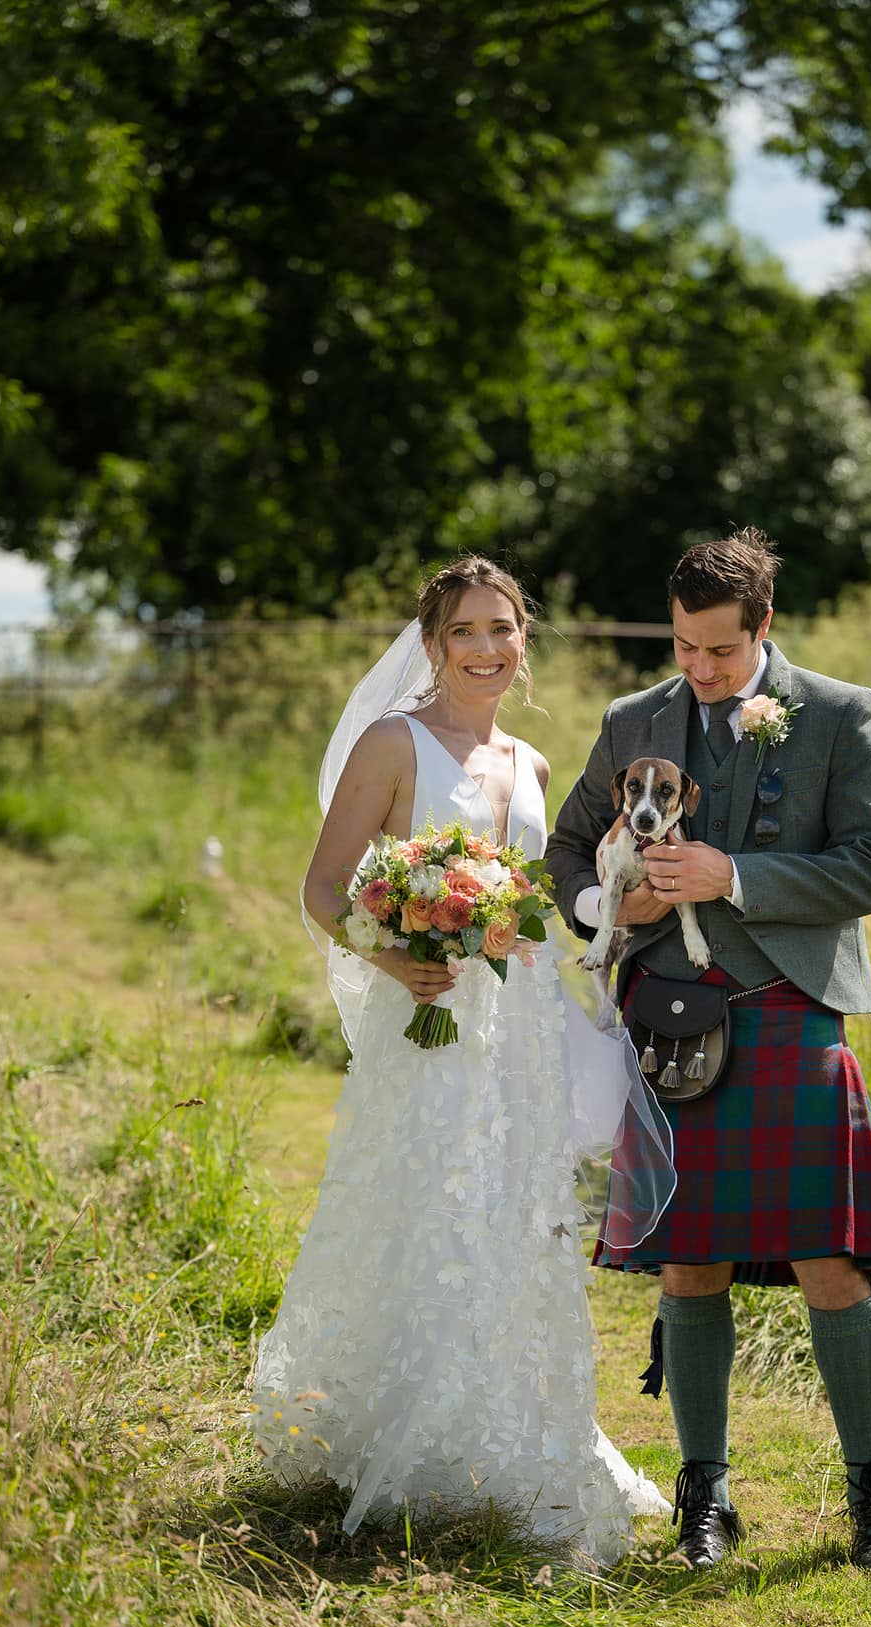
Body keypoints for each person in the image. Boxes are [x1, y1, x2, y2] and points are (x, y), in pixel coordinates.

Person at [251, 556, 672, 1562]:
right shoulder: (392, 744)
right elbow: (322, 887)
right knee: (423, 1201)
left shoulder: (529, 763)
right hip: (424, 1012)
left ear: (524, 642)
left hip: (515, 1024)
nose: (486, 648)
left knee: (514, 1213)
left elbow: (529, 892)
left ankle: (518, 1426)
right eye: (466, 632)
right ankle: (407, 1429)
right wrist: (396, 955)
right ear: (434, 646)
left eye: (503, 629)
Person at [547, 528, 871, 1574]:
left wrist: (734, 877)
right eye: (682, 648)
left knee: (829, 1259)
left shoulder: (841, 713)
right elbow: (568, 849)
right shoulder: (632, 722)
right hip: (669, 1013)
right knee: (690, 1254)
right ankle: (704, 1498)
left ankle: (870, 1496)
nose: (699, 671)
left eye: (718, 651)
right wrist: (604, 898)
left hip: (789, 1005)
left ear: (764, 627)